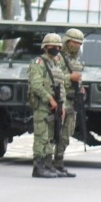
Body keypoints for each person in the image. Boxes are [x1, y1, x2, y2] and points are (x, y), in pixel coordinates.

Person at [27, 33, 70, 178]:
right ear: (45, 47)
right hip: (42, 106)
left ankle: (48, 165)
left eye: (58, 46)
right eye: (52, 46)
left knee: (52, 136)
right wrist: (50, 100)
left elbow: (61, 86)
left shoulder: (55, 64)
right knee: (41, 136)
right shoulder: (38, 63)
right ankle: (38, 167)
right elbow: (36, 85)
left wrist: (61, 105)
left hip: (55, 107)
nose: (56, 48)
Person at [55, 28, 87, 176]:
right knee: (53, 133)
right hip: (60, 100)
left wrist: (80, 87)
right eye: (75, 43)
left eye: (80, 43)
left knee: (67, 134)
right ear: (67, 41)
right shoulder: (57, 58)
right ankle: (47, 164)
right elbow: (52, 77)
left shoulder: (76, 59)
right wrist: (70, 79)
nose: (77, 46)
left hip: (73, 100)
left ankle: (59, 163)